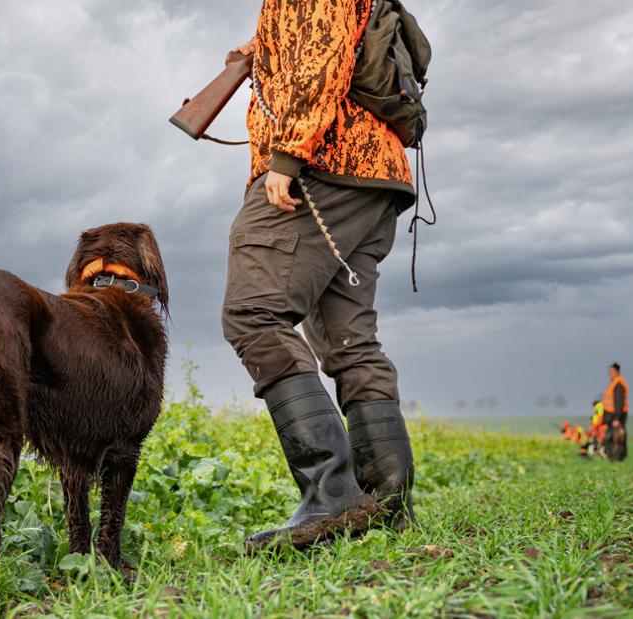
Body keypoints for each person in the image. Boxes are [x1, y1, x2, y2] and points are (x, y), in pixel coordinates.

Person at [221, 1, 418, 551]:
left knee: (252, 313)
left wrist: (286, 157)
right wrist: (263, 52)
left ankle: (332, 497)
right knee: (348, 340)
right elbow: (330, 44)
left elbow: (320, 61)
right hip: (376, 177)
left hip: (324, 163)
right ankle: (386, 503)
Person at [601, 363, 629, 461]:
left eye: (612, 371)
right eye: (609, 372)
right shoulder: (613, 383)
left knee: (618, 438)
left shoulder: (618, 384)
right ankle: (614, 457)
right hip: (611, 416)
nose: (610, 374)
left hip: (616, 416)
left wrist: (617, 418)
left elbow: (619, 402)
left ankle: (617, 458)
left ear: (617, 371)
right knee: (613, 437)